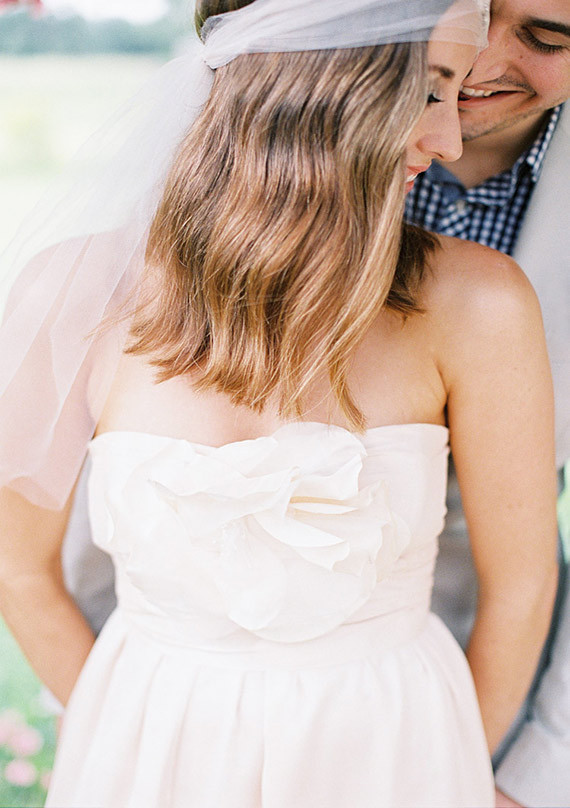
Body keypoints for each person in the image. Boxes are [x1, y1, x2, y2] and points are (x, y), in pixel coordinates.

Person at [0, 1, 558, 805]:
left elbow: (523, 584)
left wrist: (452, 764)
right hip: (145, 751)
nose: (449, 142)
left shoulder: (483, 305)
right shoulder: (72, 292)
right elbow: (19, 568)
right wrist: (125, 735)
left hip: (400, 749)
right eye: (433, 90)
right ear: (325, 80)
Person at [406, 1, 570, 805]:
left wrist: (541, 768)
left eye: (545, 39)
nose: (475, 64)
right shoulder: (265, 151)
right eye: (467, 10)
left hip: (493, 678)